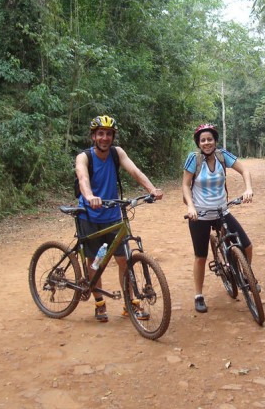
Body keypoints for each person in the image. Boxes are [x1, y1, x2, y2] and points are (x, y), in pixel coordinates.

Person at [75, 115, 163, 323]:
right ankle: (99, 303)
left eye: (108, 134)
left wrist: (151, 189)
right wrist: (89, 196)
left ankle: (130, 303)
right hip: (90, 214)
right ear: (93, 136)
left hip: (113, 213)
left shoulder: (117, 153)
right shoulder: (84, 157)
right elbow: (82, 178)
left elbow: (134, 171)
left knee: (123, 260)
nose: (105, 138)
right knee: (95, 261)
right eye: (101, 134)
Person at [183, 123, 254, 314]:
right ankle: (198, 295)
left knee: (247, 246)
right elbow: (185, 185)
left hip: (222, 211)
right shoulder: (194, 159)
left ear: (215, 140)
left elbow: (244, 170)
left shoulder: (223, 155)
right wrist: (191, 206)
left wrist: (248, 188)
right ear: (199, 143)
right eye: (203, 140)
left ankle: (245, 277)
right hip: (200, 215)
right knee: (200, 256)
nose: (206, 142)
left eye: (210, 139)